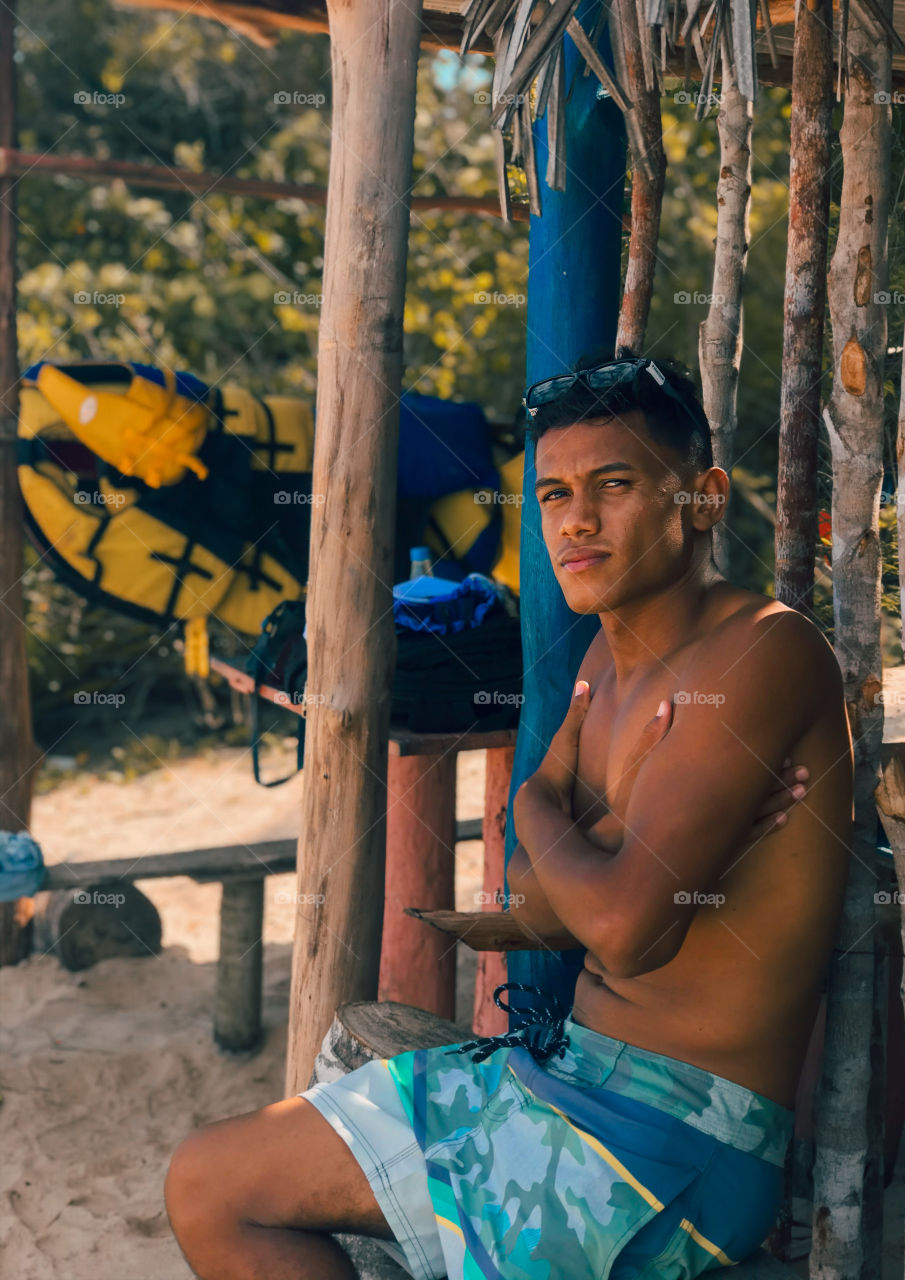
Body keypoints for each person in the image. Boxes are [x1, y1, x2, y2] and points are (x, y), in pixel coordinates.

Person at [164, 353, 853, 1280]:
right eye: (554, 493)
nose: (576, 519)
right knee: (206, 1183)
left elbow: (618, 933)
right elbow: (535, 906)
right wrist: (568, 830)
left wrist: (547, 810)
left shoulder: (762, 652)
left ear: (703, 499)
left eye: (614, 486)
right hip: (560, 1073)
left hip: (674, 1138)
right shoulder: (608, 667)